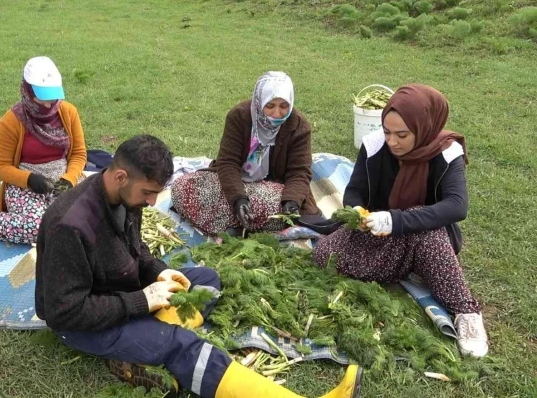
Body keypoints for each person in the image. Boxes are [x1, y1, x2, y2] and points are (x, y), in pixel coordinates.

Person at [35, 135, 362, 398]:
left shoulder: (123, 196)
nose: (152, 203)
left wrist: (158, 272)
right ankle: (166, 343)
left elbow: (136, 251)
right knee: (182, 346)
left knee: (205, 279)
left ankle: (143, 346)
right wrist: (142, 300)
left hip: (120, 290)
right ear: (121, 176)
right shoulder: (70, 226)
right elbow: (63, 311)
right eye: (148, 193)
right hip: (84, 323)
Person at [313, 84, 488, 358]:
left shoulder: (447, 152)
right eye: (387, 132)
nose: (392, 141)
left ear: (425, 127)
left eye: (402, 134)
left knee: (427, 228)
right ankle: (401, 267)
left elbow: (456, 206)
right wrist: (358, 211)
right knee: (324, 254)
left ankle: (466, 311)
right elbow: (355, 190)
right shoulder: (373, 146)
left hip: (425, 234)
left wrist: (397, 220)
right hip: (377, 229)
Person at [0, 56, 86, 244]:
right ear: (28, 91)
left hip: (63, 180)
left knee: (85, 222)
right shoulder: (11, 122)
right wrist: (30, 179)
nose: (49, 105)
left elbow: (79, 154)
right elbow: (0, 167)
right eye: (43, 98)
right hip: (25, 185)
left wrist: (69, 179)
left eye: (53, 97)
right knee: (39, 228)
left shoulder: (68, 112)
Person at [171, 71, 319, 236]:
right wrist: (238, 200)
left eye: (284, 106)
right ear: (259, 101)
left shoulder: (298, 125)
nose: (277, 114)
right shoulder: (239, 116)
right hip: (236, 182)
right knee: (182, 188)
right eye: (270, 106)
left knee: (274, 207)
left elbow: (299, 172)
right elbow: (227, 163)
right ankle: (248, 225)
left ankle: (237, 227)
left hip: (274, 188)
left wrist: (291, 202)